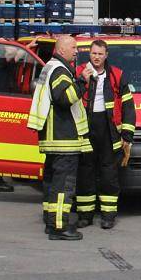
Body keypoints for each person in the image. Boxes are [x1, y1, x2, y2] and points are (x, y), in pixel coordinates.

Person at [26, 35, 88, 240]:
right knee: (64, 185)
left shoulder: (50, 67)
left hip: (53, 138)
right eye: (73, 47)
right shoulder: (60, 70)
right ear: (61, 50)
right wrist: (82, 81)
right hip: (63, 139)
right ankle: (59, 227)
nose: (76, 51)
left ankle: (50, 220)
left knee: (52, 183)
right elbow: (65, 98)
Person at [75, 40, 136, 230]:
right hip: (86, 129)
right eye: (94, 53)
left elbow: (128, 106)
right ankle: (85, 216)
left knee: (109, 173)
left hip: (108, 130)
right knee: (85, 172)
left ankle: (108, 216)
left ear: (106, 55)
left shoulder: (117, 75)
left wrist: (127, 135)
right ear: (89, 54)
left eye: (100, 54)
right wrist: (81, 80)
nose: (96, 57)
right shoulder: (79, 72)